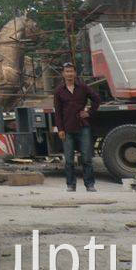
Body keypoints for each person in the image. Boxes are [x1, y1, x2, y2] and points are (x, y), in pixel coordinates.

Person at [53, 61, 101, 192]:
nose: (69, 74)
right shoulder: (59, 91)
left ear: (75, 73)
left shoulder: (83, 87)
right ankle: (71, 185)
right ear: (63, 74)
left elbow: (96, 99)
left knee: (86, 158)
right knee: (69, 160)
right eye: (66, 71)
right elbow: (57, 112)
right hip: (67, 129)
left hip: (82, 127)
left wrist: (89, 112)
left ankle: (90, 185)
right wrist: (60, 129)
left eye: (71, 71)